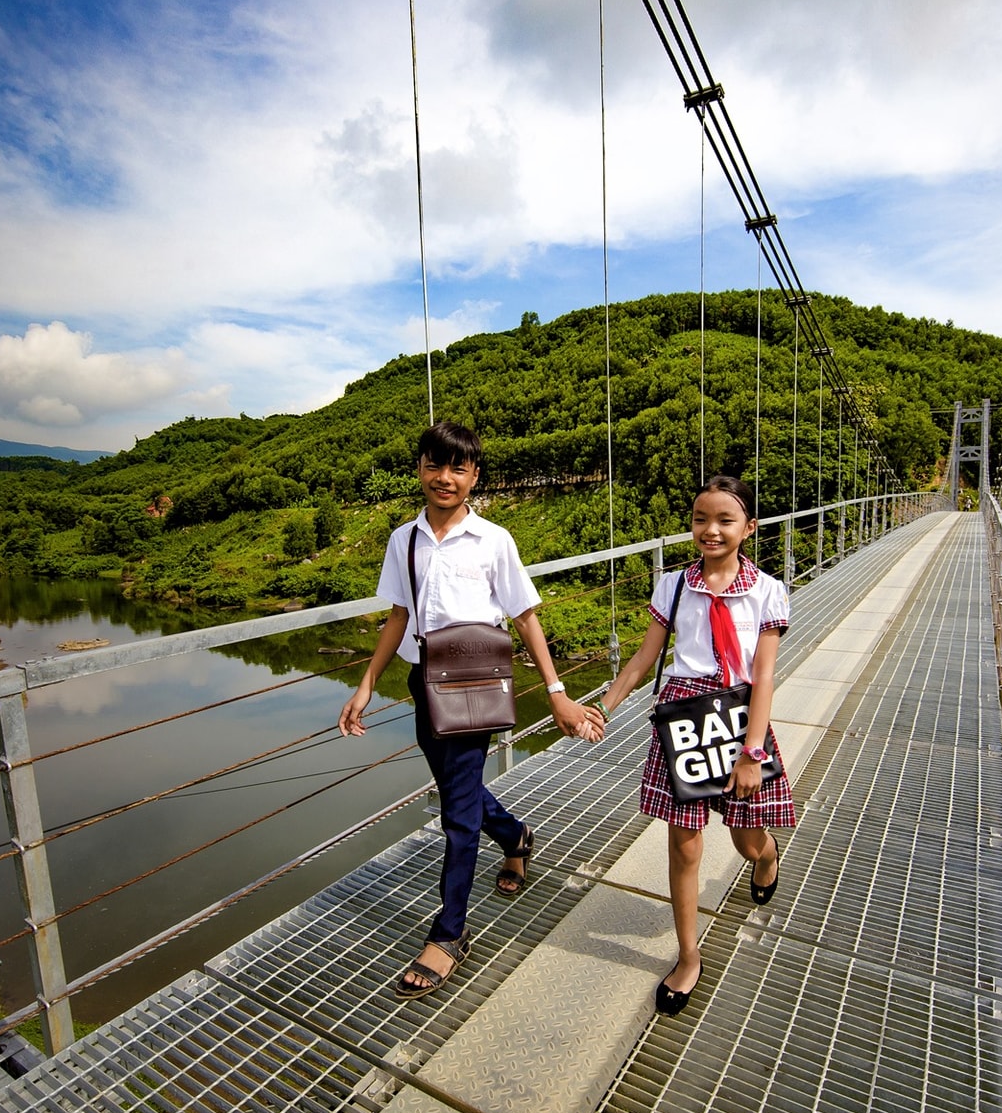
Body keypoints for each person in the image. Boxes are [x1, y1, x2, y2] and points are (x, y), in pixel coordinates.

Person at [338, 421, 603, 999]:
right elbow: (399, 618)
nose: (445, 478)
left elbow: (526, 614)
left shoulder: (494, 541)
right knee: (460, 791)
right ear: (420, 468)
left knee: (457, 816)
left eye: (458, 468)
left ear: (475, 476)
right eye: (435, 465)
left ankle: (449, 934)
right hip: (423, 684)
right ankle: (516, 838)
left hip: (476, 686)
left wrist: (556, 691)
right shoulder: (402, 540)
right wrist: (365, 684)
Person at [600, 474, 794, 1015]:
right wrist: (606, 706)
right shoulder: (675, 585)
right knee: (684, 844)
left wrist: (753, 752)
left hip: (738, 716)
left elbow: (764, 675)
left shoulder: (767, 590)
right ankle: (689, 955)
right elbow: (643, 660)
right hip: (683, 719)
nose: (710, 530)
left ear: (749, 528)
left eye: (725, 520)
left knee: (743, 833)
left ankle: (767, 856)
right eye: (700, 519)